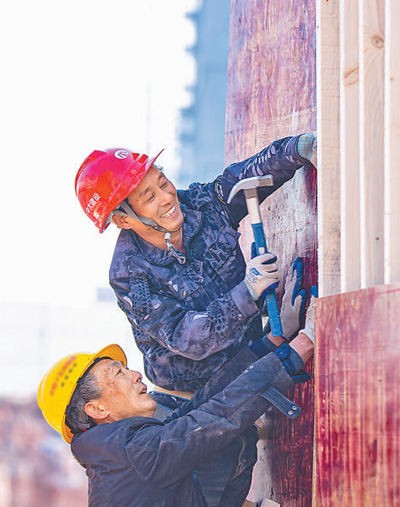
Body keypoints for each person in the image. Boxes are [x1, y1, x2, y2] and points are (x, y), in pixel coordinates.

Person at [37, 296, 316, 507]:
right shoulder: (130, 451)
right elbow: (210, 420)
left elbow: (198, 410)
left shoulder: (123, 449)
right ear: (97, 410)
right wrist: (293, 355)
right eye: (118, 374)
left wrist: (268, 346)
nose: (134, 375)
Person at [74, 133, 317, 395]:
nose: (167, 198)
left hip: (251, 350)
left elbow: (243, 177)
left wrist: (299, 148)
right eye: (149, 198)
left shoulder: (200, 205)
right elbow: (189, 336)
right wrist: (248, 291)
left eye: (163, 182)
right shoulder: (131, 277)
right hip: (196, 395)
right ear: (124, 220)